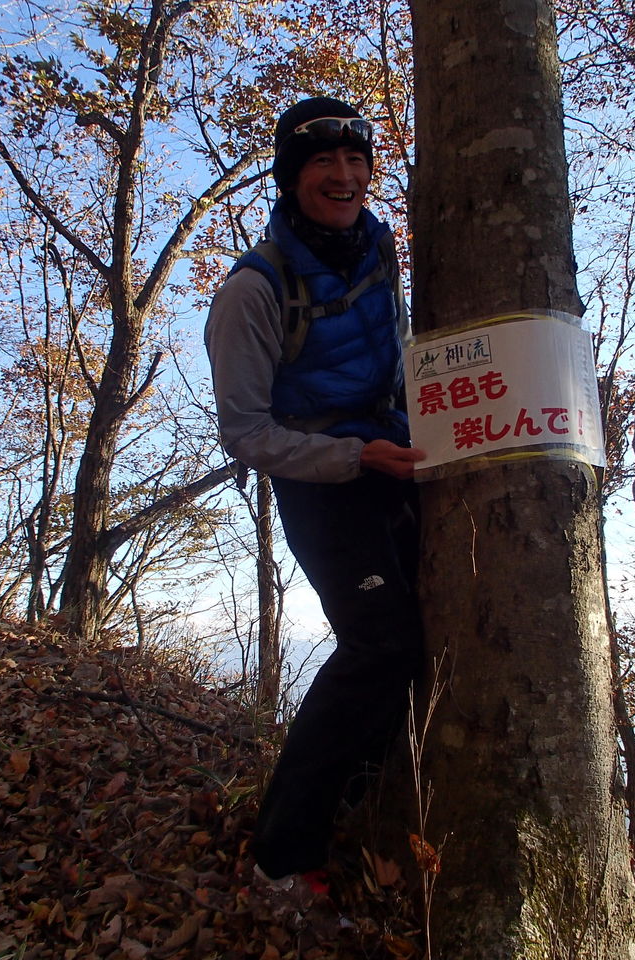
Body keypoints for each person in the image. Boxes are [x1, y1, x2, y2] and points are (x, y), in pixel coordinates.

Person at [204, 96, 426, 887]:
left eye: (356, 160)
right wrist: (355, 456)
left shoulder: (379, 251)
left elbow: (400, 351)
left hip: (396, 458)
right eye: (323, 162)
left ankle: (364, 810)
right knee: (380, 647)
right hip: (322, 480)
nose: (343, 175)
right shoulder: (253, 291)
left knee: (429, 633)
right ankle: (281, 855)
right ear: (291, 178)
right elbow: (245, 433)